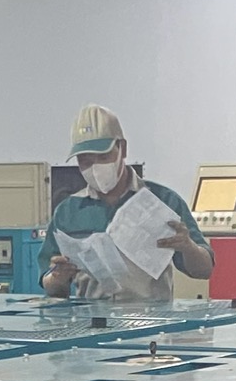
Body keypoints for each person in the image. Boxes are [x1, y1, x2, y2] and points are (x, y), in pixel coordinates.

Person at [40, 104, 213, 303]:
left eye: (104, 157)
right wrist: (57, 278)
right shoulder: (68, 212)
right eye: (85, 161)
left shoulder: (164, 201)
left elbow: (204, 270)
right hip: (91, 318)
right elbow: (51, 284)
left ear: (123, 148)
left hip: (151, 318)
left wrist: (188, 247)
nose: (95, 167)